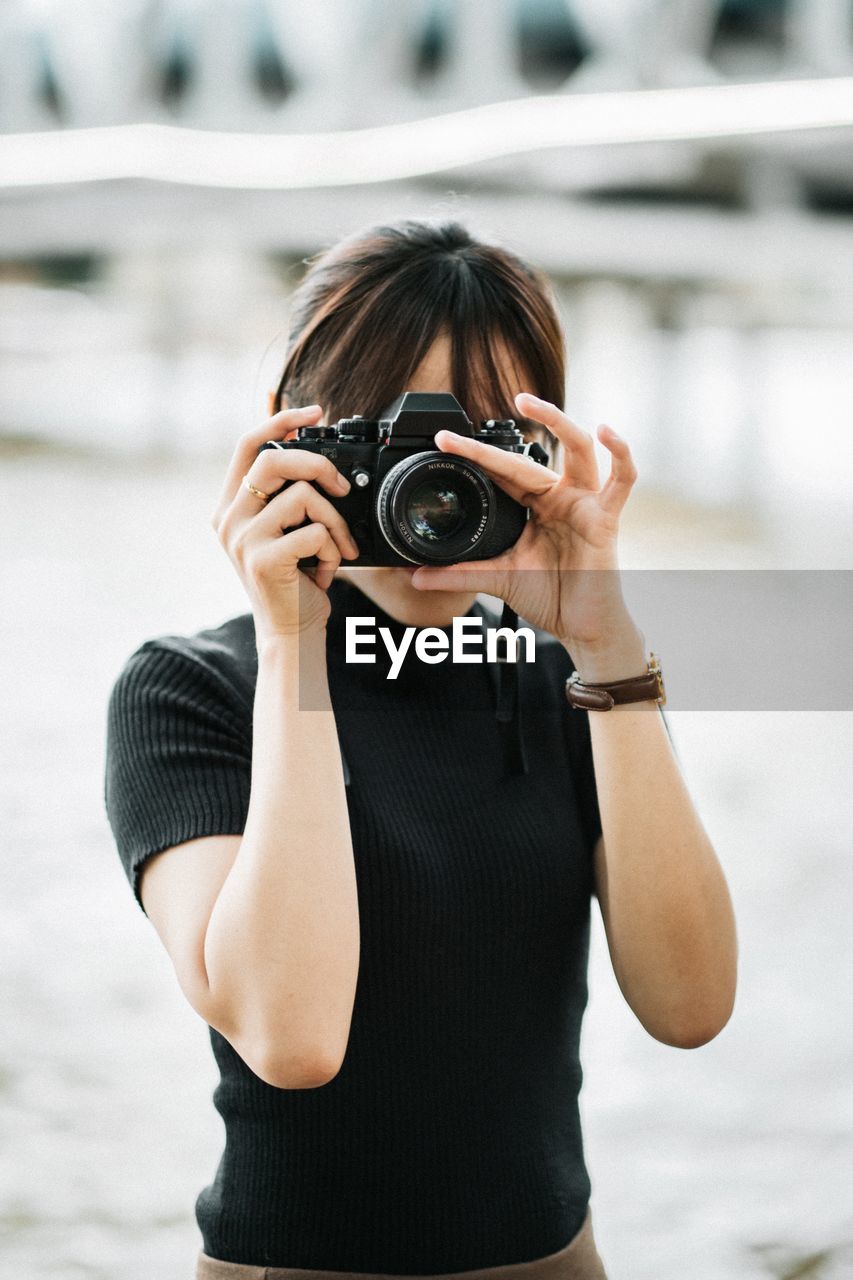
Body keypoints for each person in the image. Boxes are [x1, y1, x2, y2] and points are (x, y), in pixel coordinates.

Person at [104, 219, 738, 1280]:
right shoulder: (191, 689)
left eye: (475, 445)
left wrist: (604, 636)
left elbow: (690, 1004)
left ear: (534, 456)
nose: (431, 485)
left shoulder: (572, 675)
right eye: (388, 437)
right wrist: (292, 640)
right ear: (287, 437)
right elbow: (292, 1035)